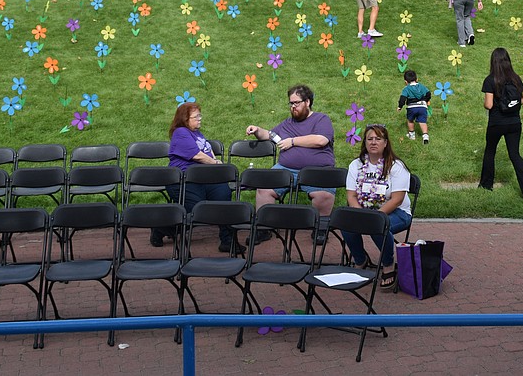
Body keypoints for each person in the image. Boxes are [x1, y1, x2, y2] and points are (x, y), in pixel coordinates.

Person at [245, 84, 336, 231]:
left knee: (323, 195)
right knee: (264, 188)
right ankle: (263, 228)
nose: (293, 106)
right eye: (291, 103)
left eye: (297, 103)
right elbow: (270, 135)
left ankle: (320, 229)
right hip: (285, 169)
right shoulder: (287, 123)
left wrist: (292, 141)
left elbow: (321, 140)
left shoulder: (321, 119)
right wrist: (257, 130)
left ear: (307, 102)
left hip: (317, 170)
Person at [344, 124, 412, 288]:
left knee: (378, 226)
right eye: (370, 139)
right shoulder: (356, 165)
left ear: (385, 143)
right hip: (365, 212)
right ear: (365, 143)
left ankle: (388, 264)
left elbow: (396, 199)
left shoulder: (396, 167)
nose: (374, 142)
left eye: (378, 139)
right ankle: (361, 260)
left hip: (398, 213)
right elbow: (351, 195)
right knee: (347, 225)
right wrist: (362, 216)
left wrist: (374, 218)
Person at [161, 102, 234, 251]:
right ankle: (162, 228)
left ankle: (227, 240)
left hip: (205, 178)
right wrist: (216, 164)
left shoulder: (197, 133)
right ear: (185, 119)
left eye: (200, 115)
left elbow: (208, 151)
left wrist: (216, 164)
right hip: (185, 180)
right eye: (196, 116)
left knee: (223, 195)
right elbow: (198, 156)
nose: (200, 119)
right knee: (196, 211)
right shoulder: (180, 133)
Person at [480, 48, 523, 198]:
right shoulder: (516, 78)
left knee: (490, 152)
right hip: (514, 123)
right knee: (515, 155)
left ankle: (486, 185)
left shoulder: (490, 79)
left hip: (496, 123)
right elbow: (522, 100)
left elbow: (489, 105)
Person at [398, 69, 432, 144]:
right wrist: (426, 100)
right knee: (422, 121)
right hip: (422, 107)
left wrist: (400, 106)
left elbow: (402, 98)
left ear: (406, 82)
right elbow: (428, 93)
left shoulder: (406, 89)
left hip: (412, 108)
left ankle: (412, 135)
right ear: (417, 79)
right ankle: (425, 136)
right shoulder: (422, 86)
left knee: (410, 120)